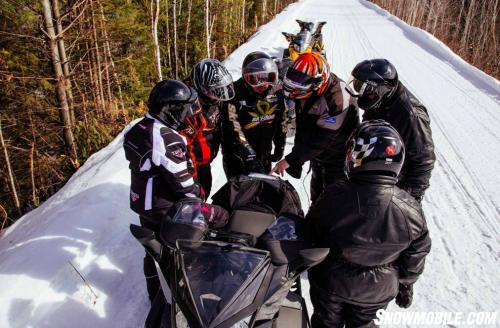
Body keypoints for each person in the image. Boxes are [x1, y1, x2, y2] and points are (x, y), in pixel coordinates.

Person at [306, 120, 432, 328]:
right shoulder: (410, 208)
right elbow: (416, 255)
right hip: (378, 292)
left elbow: (310, 234)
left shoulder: (334, 195)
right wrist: (405, 284)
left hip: (331, 284)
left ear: (355, 156)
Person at [124, 79, 213, 310]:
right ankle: (177, 304)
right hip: (163, 205)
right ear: (171, 109)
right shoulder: (165, 136)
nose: (188, 114)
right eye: (184, 109)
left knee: (152, 251)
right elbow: (182, 182)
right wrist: (199, 195)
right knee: (175, 254)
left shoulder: (140, 127)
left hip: (145, 201)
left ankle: (155, 297)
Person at [271, 52, 358, 204]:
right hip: (318, 156)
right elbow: (304, 125)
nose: (294, 92)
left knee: (334, 202)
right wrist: (297, 160)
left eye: (299, 88)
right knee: (316, 196)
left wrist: (291, 160)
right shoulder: (304, 91)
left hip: (339, 157)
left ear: (319, 83)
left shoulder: (337, 99)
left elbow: (321, 139)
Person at [346, 58, 435, 202]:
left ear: (381, 87)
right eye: (357, 85)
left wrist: (407, 199)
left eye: (364, 88)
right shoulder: (381, 101)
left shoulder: (410, 115)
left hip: (394, 186)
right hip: (372, 176)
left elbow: (424, 161)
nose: (360, 92)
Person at [221, 51, 288, 178]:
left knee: (263, 192)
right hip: (237, 157)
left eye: (268, 77)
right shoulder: (234, 94)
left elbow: (282, 120)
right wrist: (249, 155)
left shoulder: (277, 91)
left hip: (264, 153)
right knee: (240, 195)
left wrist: (280, 145)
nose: (262, 84)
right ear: (245, 77)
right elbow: (233, 128)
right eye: (254, 79)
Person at [182, 59, 235, 197]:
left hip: (205, 163)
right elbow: (184, 147)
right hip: (191, 167)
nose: (218, 95)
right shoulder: (187, 108)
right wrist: (191, 177)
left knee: (206, 191)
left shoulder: (214, 100)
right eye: (214, 91)